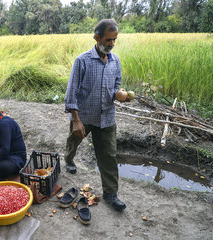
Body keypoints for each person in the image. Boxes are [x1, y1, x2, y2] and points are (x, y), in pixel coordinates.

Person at [64, 19, 131, 212]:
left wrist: (120, 96)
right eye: (108, 40)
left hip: (107, 118)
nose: (111, 44)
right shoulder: (82, 61)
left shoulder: (115, 61)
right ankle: (68, 159)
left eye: (114, 40)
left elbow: (116, 86)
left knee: (109, 155)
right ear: (96, 37)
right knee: (74, 141)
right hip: (84, 116)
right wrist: (76, 121)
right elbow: (71, 93)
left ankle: (110, 194)